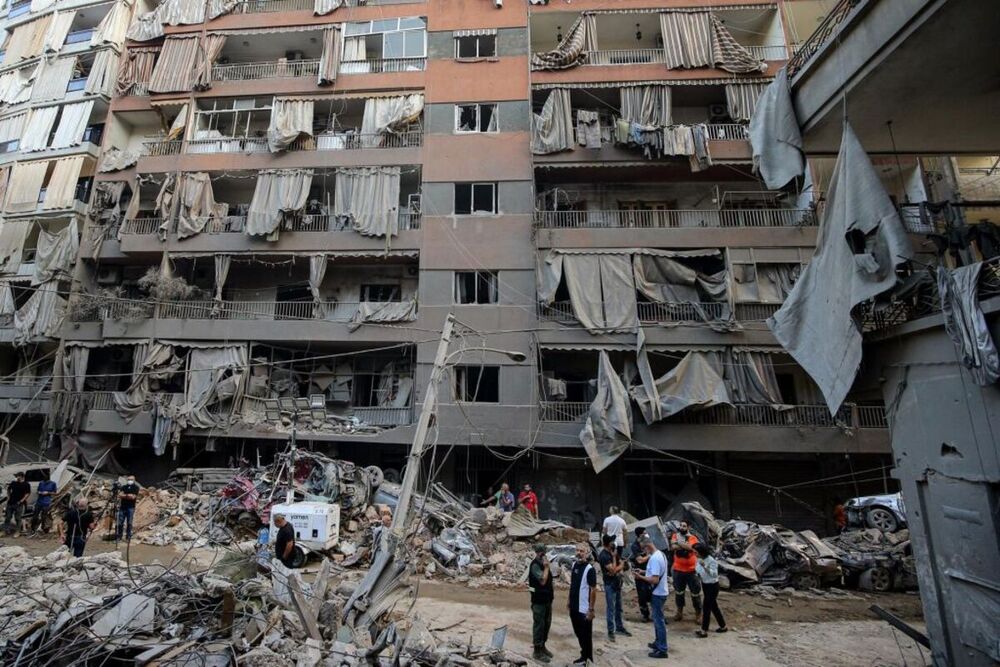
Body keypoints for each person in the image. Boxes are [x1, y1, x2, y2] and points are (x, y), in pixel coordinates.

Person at [635, 536, 669, 659]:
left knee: (659, 621)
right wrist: (643, 572)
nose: (644, 553)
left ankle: (662, 649)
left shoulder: (654, 558)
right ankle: (658, 642)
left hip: (658, 594)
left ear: (648, 546)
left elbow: (654, 579)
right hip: (661, 591)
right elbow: (656, 572)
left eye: (644, 549)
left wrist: (641, 577)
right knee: (657, 619)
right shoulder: (661, 554)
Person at [597, 534, 630, 642]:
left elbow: (621, 566)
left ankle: (619, 627)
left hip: (616, 583)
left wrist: (619, 564)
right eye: (612, 541)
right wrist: (618, 563)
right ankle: (611, 631)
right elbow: (613, 570)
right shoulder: (604, 556)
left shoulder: (613, 552)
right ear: (608, 543)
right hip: (609, 584)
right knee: (611, 608)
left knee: (619, 607)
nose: (614, 543)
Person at [568, 542, 596, 665]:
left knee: (586, 635)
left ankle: (587, 658)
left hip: (584, 608)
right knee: (578, 632)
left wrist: (591, 609)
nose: (579, 553)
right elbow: (572, 585)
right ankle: (583, 655)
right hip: (574, 606)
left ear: (587, 553)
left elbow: (593, 590)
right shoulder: (575, 565)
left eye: (581, 551)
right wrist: (569, 600)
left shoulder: (590, 569)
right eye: (577, 550)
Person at [670, 520, 703, 623]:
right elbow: (673, 547)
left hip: (692, 571)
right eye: (681, 525)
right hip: (678, 570)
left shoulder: (693, 538)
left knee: (695, 593)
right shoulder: (675, 535)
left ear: (688, 527)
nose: (681, 527)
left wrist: (679, 543)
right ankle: (679, 612)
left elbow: (691, 547)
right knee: (679, 592)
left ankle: (698, 614)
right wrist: (684, 545)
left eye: (684, 526)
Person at [527, 543, 554, 663]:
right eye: (541, 552)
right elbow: (542, 581)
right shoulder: (535, 565)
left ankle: (543, 646)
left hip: (547, 599)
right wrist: (547, 568)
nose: (543, 555)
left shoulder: (543, 564)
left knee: (546, 624)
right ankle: (537, 651)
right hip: (538, 601)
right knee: (539, 625)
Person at [695, 543, 727, 637]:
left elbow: (714, 574)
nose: (695, 554)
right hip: (705, 584)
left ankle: (704, 630)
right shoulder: (699, 559)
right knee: (714, 607)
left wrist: (705, 567)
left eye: (696, 552)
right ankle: (723, 626)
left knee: (707, 607)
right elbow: (697, 569)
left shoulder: (711, 561)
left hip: (712, 586)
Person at [629, 526, 652, 622]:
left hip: (649, 571)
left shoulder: (647, 542)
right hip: (639, 572)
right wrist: (650, 555)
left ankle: (656, 614)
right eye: (645, 533)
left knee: (652, 594)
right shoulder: (635, 546)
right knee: (642, 595)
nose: (646, 534)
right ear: (640, 535)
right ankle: (645, 615)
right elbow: (640, 560)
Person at [116, 475, 141, 541]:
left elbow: (133, 497)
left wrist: (124, 495)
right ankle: (119, 536)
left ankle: (128, 537)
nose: (130, 481)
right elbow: (119, 495)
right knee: (120, 522)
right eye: (129, 479)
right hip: (122, 507)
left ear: (134, 480)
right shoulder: (124, 487)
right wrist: (128, 495)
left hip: (131, 507)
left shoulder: (136, 487)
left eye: (131, 479)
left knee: (129, 523)